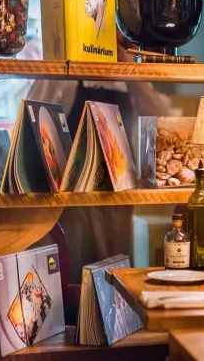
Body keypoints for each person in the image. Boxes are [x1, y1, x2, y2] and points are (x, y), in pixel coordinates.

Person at [28, 30, 171, 289]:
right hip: (75, 198)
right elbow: (33, 114)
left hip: (119, 198)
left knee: (115, 272)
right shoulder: (69, 71)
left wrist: (130, 70)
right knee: (76, 270)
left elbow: (162, 118)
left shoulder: (128, 77)